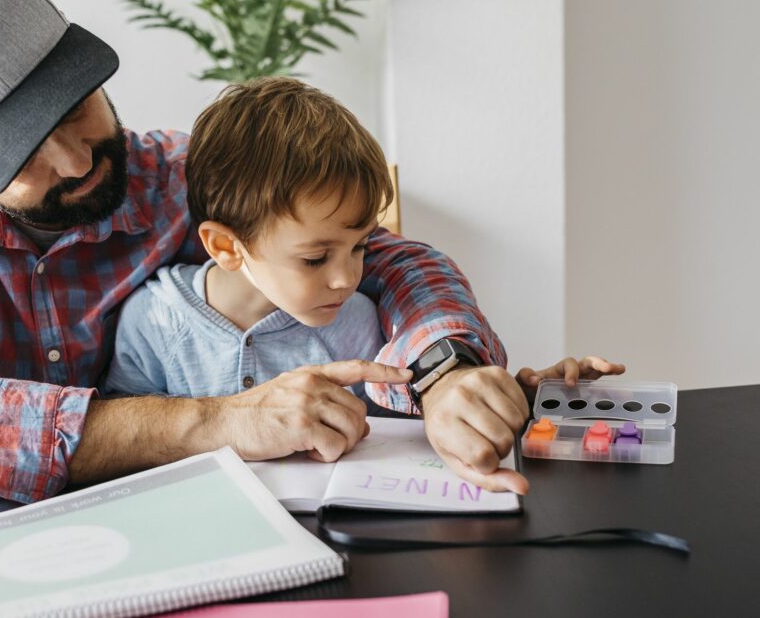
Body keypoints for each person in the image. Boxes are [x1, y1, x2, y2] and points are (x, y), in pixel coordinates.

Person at [0, 0, 601, 504]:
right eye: (24, 153)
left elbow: (392, 260)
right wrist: (224, 418)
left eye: (77, 106)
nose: (78, 159)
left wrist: (446, 370)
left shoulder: (169, 172)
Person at [104, 77, 624, 475]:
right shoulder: (151, 322)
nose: (348, 277)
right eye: (315, 258)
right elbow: (131, 452)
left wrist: (515, 399)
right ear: (226, 247)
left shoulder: (356, 321)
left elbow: (424, 416)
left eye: (360, 248)